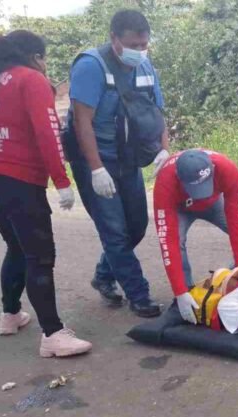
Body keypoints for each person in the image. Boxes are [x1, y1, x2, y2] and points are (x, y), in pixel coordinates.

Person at [0, 31, 92, 357]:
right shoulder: (31, 80)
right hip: (19, 180)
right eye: (44, 58)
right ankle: (53, 334)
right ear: (35, 56)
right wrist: (62, 181)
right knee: (39, 256)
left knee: (16, 245)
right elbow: (48, 133)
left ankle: (10, 314)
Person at [66, 10, 169, 317]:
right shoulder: (91, 66)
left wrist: (164, 151)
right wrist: (96, 169)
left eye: (143, 44)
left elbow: (157, 113)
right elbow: (82, 122)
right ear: (114, 39)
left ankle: (103, 275)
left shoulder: (145, 67)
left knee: (136, 226)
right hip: (97, 161)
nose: (139, 50)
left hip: (129, 158)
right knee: (114, 231)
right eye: (133, 45)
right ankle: (139, 295)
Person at [153, 149, 238, 314]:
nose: (200, 194)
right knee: (177, 241)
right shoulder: (165, 181)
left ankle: (231, 279)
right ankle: (188, 294)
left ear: (212, 169)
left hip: (214, 202)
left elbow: (237, 221)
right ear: (179, 178)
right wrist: (180, 291)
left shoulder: (227, 169)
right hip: (180, 207)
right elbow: (168, 241)